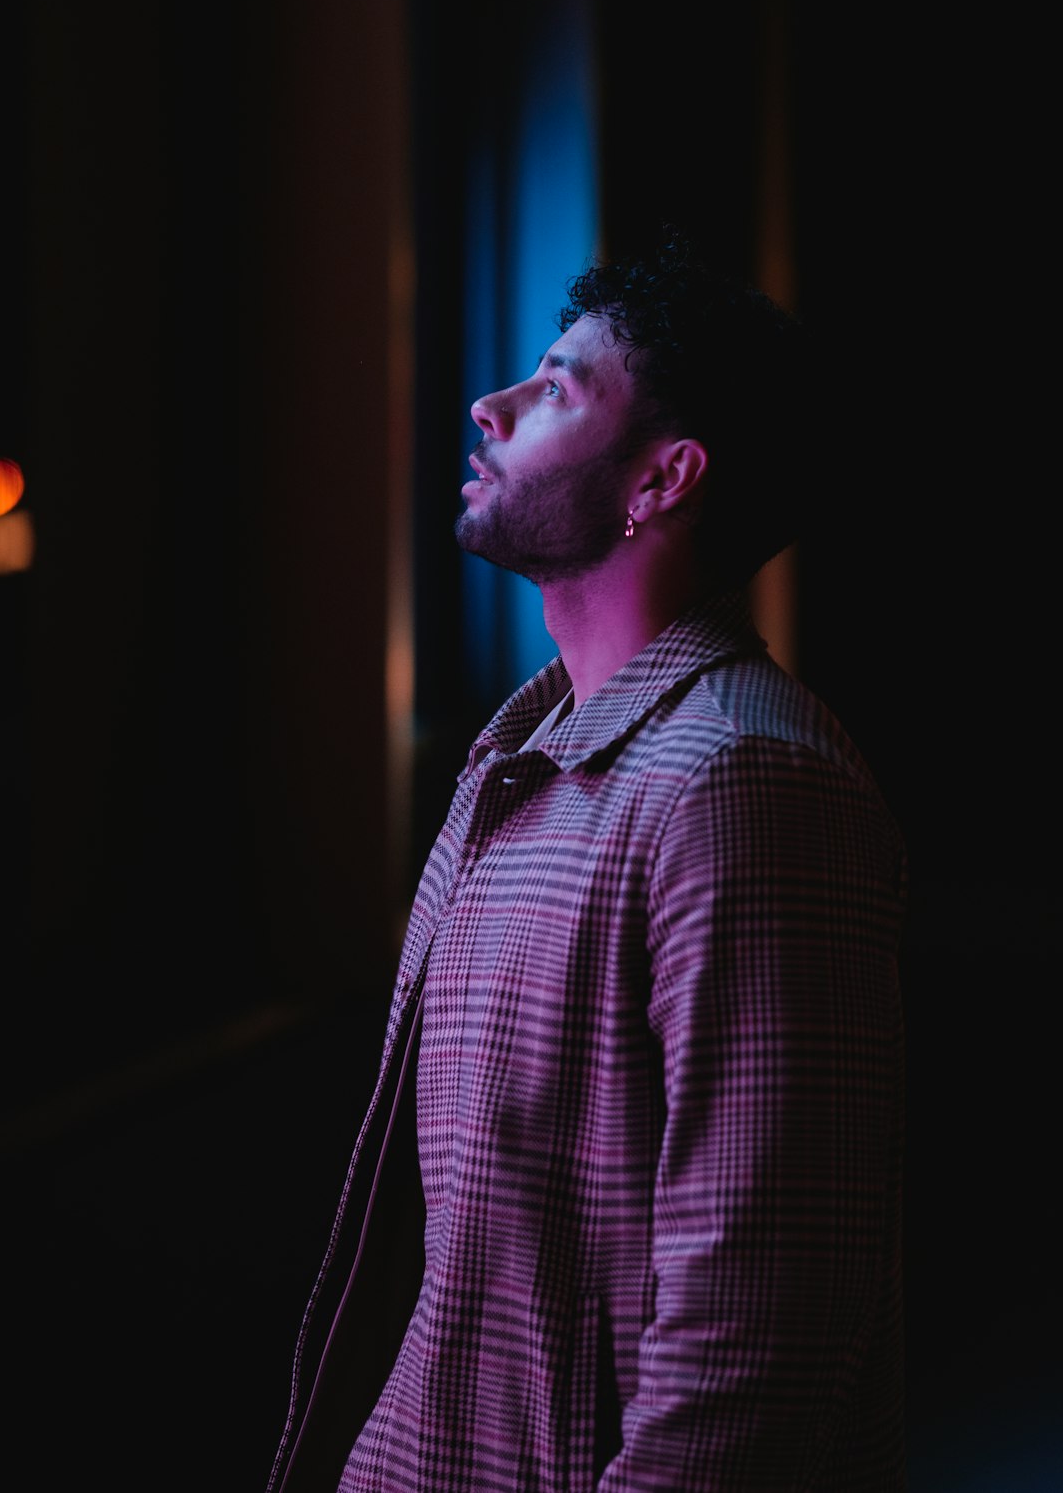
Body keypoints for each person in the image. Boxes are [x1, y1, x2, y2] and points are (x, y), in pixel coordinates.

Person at [265, 231, 908, 1492]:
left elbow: (757, 1346)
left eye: (558, 388)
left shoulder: (746, 785)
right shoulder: (529, 756)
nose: (490, 406)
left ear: (663, 478)